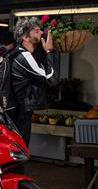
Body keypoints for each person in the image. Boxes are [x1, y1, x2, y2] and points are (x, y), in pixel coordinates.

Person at [9, 17, 60, 145]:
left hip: (16, 110)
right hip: (21, 112)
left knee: (17, 149)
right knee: (21, 149)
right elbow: (52, 80)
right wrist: (50, 51)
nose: (41, 33)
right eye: (36, 31)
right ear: (26, 37)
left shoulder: (17, 54)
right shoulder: (24, 57)